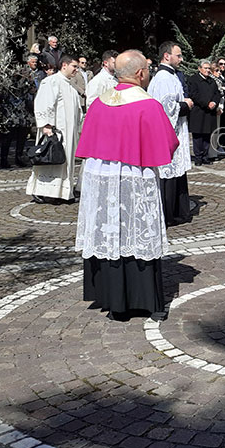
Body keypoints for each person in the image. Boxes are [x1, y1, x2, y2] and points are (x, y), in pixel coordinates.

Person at [75, 50, 180, 322]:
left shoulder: (99, 103)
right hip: (136, 177)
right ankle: (144, 300)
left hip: (102, 179)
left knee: (110, 233)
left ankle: (115, 302)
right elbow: (169, 144)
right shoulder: (148, 105)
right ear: (139, 73)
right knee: (137, 230)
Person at [148, 41, 194, 227]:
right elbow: (166, 109)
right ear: (167, 56)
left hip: (176, 132)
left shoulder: (171, 76)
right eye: (179, 55)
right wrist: (186, 105)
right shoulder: (163, 78)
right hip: (167, 134)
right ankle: (169, 214)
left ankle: (178, 211)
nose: (181, 59)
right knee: (168, 175)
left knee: (176, 174)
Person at [26, 55, 83, 204]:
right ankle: (41, 191)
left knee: (65, 160)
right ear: (64, 65)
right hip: (56, 130)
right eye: (74, 66)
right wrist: (46, 125)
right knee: (50, 159)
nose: (77, 70)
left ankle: (62, 192)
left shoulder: (70, 85)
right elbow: (44, 103)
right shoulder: (51, 82)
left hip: (68, 131)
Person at [0, 61, 36, 168]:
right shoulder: (6, 80)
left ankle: (18, 157)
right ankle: (4, 159)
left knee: (22, 137)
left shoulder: (27, 80)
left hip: (23, 112)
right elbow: (0, 94)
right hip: (10, 112)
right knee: (7, 137)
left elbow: (32, 91)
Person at [188, 59, 222, 166]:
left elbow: (217, 94)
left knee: (207, 135)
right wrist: (207, 103)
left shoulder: (212, 81)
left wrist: (214, 102)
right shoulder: (193, 79)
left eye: (209, 68)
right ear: (199, 69)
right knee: (198, 136)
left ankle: (206, 156)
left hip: (209, 112)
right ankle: (198, 157)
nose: (208, 70)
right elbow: (194, 94)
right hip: (199, 112)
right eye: (205, 68)